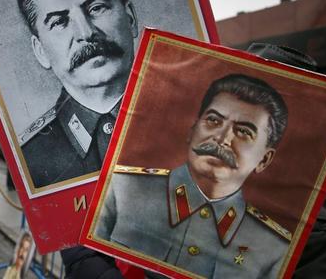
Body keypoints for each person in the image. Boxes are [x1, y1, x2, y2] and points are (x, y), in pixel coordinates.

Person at [96, 74, 291, 278]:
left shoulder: (275, 250)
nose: (222, 139)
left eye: (243, 131)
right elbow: (84, 259)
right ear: (192, 130)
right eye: (213, 120)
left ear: (264, 160)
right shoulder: (121, 188)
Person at [15, 0, 139, 188]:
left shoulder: (197, 118)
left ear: (131, 18)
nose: (86, 32)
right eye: (60, 22)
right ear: (40, 51)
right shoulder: (30, 161)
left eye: (97, 8)